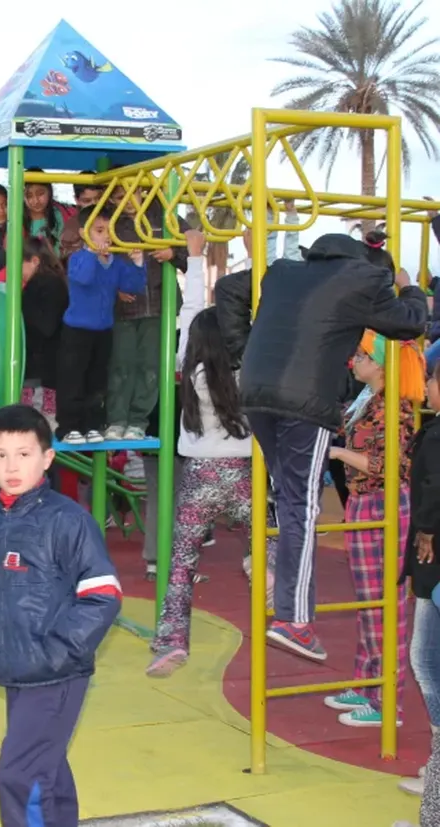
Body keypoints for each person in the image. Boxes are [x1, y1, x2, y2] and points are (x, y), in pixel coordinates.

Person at [215, 232, 428, 661]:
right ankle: (295, 619)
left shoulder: (283, 271)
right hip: (306, 404)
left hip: (256, 394)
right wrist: (409, 287)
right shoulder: (362, 279)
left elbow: (228, 288)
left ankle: (290, 602)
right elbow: (411, 323)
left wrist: (244, 347)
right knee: (303, 506)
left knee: (292, 499)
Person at [0, 404, 121, 827]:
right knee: (46, 767)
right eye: (1, 455)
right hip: (14, 667)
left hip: (55, 675)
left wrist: (55, 652)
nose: (11, 466)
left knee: (20, 775)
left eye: (24, 453)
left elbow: (102, 594)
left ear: (47, 458)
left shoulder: (67, 521)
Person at [148, 231, 270, 676]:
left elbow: (193, 311)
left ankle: (172, 640)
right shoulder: (250, 365)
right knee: (271, 535)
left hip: (201, 474)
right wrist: (263, 251)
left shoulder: (190, 366)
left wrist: (195, 258)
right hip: (243, 472)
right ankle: (265, 568)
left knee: (180, 564)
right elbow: (269, 314)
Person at [324, 331, 421, 726]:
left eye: (363, 356)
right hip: (365, 500)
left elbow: (391, 465)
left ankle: (386, 700)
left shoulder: (390, 406)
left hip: (383, 501)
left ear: (382, 365)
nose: (355, 361)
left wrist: (337, 452)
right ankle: (368, 682)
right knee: (369, 601)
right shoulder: (369, 400)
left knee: (386, 604)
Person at [55, 205, 146, 445]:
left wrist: (138, 263)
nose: (106, 236)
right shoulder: (78, 258)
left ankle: (92, 424)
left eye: (109, 230)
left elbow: (132, 285)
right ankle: (69, 427)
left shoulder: (116, 262)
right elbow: (83, 278)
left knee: (97, 380)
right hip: (76, 330)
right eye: (99, 230)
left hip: (103, 330)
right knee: (73, 379)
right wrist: (94, 255)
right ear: (85, 233)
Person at [105, 186, 189, 442]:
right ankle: (117, 419)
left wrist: (173, 253)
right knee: (121, 365)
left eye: (133, 193)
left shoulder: (163, 215)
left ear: (144, 192)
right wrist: (113, 288)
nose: (128, 201)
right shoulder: (109, 221)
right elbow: (96, 259)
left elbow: (194, 242)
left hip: (158, 305)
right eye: (120, 197)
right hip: (125, 307)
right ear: (111, 199)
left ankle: (139, 421)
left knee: (151, 367)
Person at [397, 358, 440, 800]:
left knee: (426, 660)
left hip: (436, 560)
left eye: (431, 378)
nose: (426, 385)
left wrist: (426, 530)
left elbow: (433, 485)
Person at [17, 237, 69, 430]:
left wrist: (20, 306)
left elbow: (45, 326)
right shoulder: (53, 282)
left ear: (34, 261)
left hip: (42, 368)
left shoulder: (45, 285)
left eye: (19, 263)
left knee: (36, 424)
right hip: (45, 367)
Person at [59, 173, 105, 262]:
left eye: (98, 199)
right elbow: (68, 261)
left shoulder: (111, 218)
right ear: (77, 200)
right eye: (87, 201)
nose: (93, 204)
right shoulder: (72, 228)